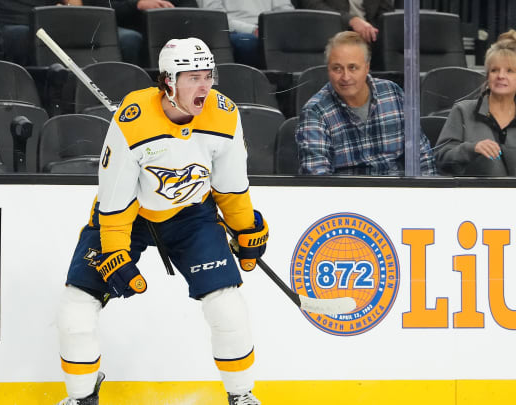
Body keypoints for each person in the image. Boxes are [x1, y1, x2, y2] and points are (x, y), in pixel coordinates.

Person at [56, 38, 268, 405]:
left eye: (208, 76)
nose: (204, 86)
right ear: (168, 81)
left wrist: (246, 228)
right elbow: (116, 201)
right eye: (192, 78)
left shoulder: (224, 114)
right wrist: (115, 252)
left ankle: (241, 396)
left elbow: (230, 189)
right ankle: (81, 396)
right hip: (128, 216)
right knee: (76, 310)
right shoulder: (132, 120)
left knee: (228, 307)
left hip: (191, 216)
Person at [296, 31, 436, 175]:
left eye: (353, 67)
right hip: (345, 194)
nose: (345, 77)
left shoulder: (392, 93)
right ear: (328, 70)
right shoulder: (315, 112)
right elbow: (317, 177)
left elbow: (422, 157)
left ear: (367, 67)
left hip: (397, 192)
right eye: (337, 68)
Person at [435, 30, 516, 176]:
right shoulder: (463, 110)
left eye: (510, 71)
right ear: (487, 76)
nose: (501, 76)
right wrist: (471, 149)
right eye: (494, 70)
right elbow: (441, 159)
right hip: (470, 195)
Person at [201, 0, 294, 67]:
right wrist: (252, 30)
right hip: (235, 30)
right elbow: (215, 17)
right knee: (249, 42)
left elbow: (284, 10)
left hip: (269, 28)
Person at [300, 0, 393, 43]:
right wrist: (351, 20)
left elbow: (384, 14)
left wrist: (370, 31)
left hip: (369, 39)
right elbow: (312, 5)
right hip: (328, 34)